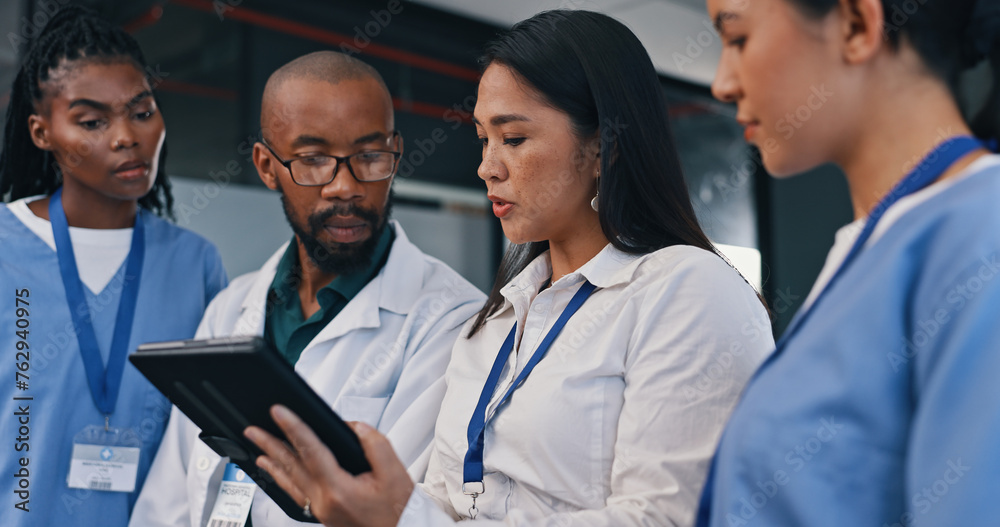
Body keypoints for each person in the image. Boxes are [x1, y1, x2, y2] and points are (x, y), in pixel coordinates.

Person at [243, 10, 774, 526]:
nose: (486, 167)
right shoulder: (493, 323)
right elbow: (449, 504)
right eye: (483, 138)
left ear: (602, 146)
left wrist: (401, 518)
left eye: (513, 139)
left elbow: (666, 518)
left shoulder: (686, 290)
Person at [129, 51, 486, 527]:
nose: (344, 186)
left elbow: (398, 508)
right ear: (266, 165)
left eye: (370, 155)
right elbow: (169, 501)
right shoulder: (231, 308)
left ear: (395, 152)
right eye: (313, 159)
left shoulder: (451, 322)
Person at [696, 0, 1000, 525]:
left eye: (738, 38)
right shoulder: (871, 245)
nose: (722, 84)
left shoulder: (980, 229)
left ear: (857, 25)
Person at [0, 6, 228, 527]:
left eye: (142, 111)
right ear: (41, 132)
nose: (127, 136)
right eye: (92, 121)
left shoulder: (194, 264)